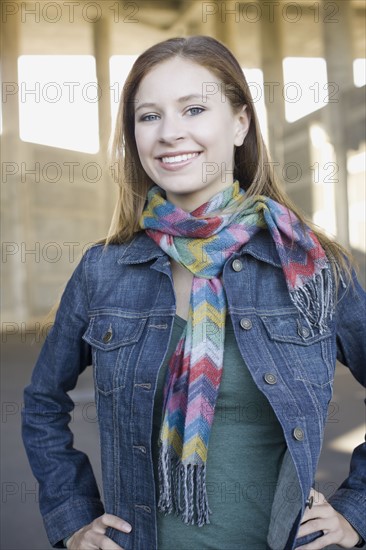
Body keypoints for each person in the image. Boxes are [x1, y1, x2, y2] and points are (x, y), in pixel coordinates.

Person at [22, 35, 365, 550]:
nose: (170, 133)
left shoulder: (313, 266)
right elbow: (42, 404)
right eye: (149, 116)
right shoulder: (105, 270)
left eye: (195, 108)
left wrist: (355, 510)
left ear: (241, 123)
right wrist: (73, 519)